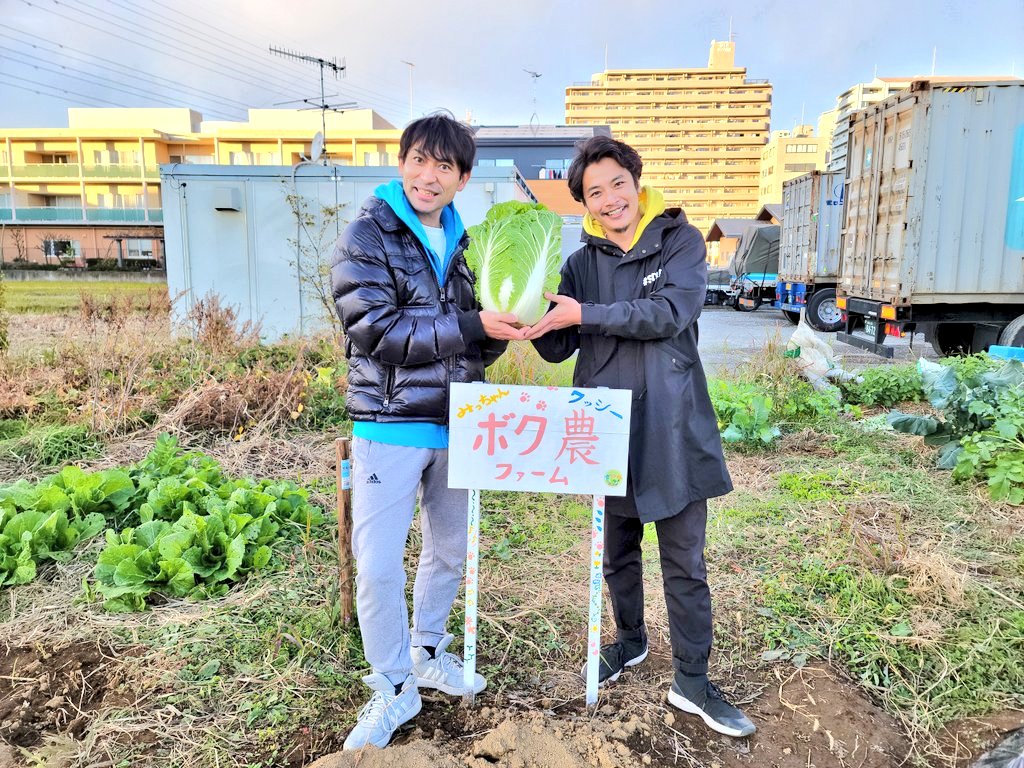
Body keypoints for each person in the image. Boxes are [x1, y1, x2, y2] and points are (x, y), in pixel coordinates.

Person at [525, 136, 755, 738]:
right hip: (604, 425)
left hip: (672, 422)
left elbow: (670, 313)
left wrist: (588, 315)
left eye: (616, 184)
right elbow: (558, 344)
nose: (609, 199)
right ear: (585, 204)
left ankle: (693, 681)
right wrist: (524, 315)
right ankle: (629, 642)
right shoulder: (579, 263)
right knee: (616, 551)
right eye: (594, 193)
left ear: (636, 180)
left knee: (683, 558)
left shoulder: (676, 239)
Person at [331, 112, 522, 750]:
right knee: (378, 563)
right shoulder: (368, 234)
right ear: (402, 161)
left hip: (457, 424)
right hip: (388, 424)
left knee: (450, 550)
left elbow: (470, 346)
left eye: (445, 166)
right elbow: (375, 332)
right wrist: (472, 329)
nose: (429, 176)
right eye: (420, 160)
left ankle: (427, 652)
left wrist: (500, 331)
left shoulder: (466, 244)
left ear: (463, 178)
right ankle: (389, 686)